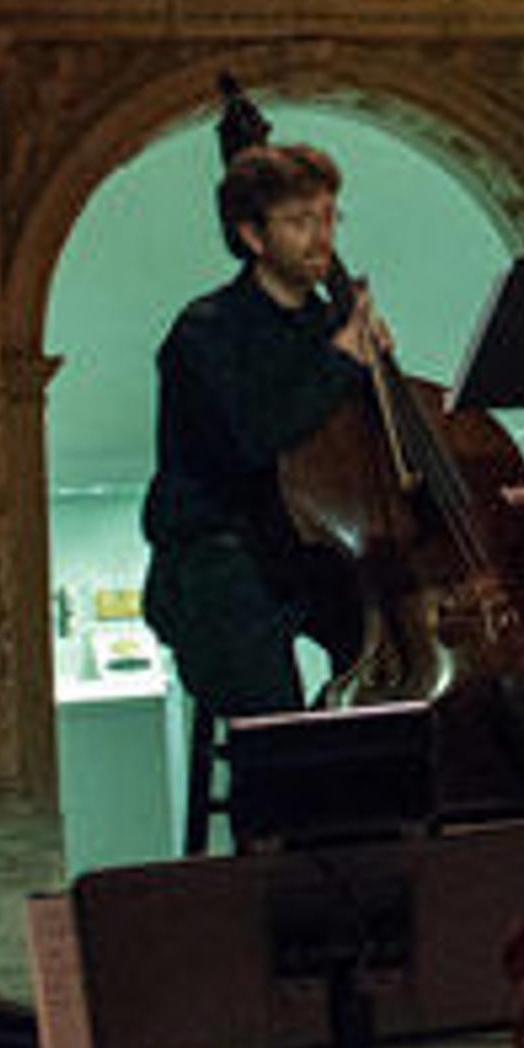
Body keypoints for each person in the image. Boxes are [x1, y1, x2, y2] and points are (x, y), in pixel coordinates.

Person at [141, 141, 391, 721]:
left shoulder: (329, 323)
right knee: (272, 725)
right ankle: (287, 790)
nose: (321, 238)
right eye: (300, 222)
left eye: (329, 217)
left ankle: (373, 783)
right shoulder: (205, 332)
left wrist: (377, 378)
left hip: (308, 552)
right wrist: (341, 363)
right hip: (216, 555)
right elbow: (254, 438)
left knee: (390, 634)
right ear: (253, 236)